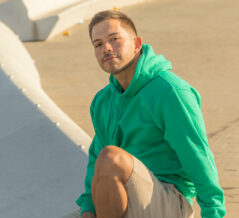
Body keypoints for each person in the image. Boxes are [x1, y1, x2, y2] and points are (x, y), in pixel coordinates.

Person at [76, 10, 226, 218]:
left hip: (169, 200)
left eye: (114, 39)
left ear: (137, 44)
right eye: (98, 44)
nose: (106, 48)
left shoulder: (169, 92)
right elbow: (95, 162)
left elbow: (197, 155)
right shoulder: (102, 101)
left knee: (111, 158)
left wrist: (213, 212)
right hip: (122, 198)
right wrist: (88, 209)